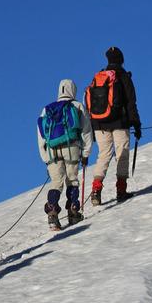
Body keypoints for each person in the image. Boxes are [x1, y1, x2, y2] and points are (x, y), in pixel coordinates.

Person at [86, 47, 141, 205]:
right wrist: (136, 124)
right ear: (121, 60)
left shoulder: (99, 77)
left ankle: (96, 190)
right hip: (119, 122)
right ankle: (121, 190)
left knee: (103, 155)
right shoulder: (123, 76)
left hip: (99, 124)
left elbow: (91, 104)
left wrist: (92, 126)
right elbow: (131, 102)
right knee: (122, 153)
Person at [37, 79, 92, 230]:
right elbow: (87, 131)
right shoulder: (77, 106)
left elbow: (41, 135)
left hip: (52, 150)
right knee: (72, 180)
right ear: (73, 90)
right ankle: (73, 212)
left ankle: (52, 215)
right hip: (72, 146)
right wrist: (86, 153)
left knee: (56, 182)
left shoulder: (47, 110)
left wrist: (45, 158)